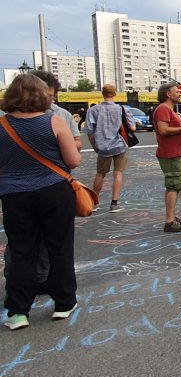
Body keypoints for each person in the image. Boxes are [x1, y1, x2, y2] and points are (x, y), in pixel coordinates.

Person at [0, 74, 82, 330]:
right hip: (54, 191)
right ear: (42, 95)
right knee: (59, 248)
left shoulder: (2, 125)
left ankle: (18, 311)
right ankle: (64, 303)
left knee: (22, 250)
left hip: (14, 194)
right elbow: (73, 161)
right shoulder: (54, 122)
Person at [153, 83, 181, 232]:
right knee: (173, 185)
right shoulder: (163, 109)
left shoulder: (167, 109)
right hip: (170, 154)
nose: (179, 94)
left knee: (175, 185)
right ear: (168, 94)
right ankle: (170, 221)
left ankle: (172, 216)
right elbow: (163, 130)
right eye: (176, 92)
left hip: (174, 153)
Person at [85, 84, 135, 213]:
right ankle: (114, 203)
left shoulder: (93, 110)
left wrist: (95, 146)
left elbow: (89, 131)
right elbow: (133, 128)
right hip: (119, 145)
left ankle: (93, 203)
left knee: (100, 174)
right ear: (114, 94)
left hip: (102, 146)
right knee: (118, 173)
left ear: (102, 94)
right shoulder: (122, 109)